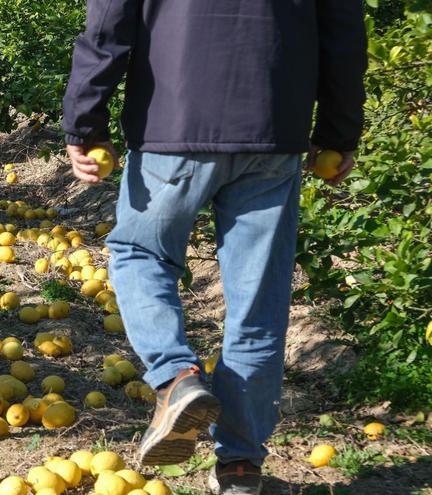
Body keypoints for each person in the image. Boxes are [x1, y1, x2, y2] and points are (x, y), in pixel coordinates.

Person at [62, 1, 367, 494]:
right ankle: (241, 468)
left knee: (139, 253)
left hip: (172, 124)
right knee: (258, 304)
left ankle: (177, 377)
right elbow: (343, 33)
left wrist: (84, 121)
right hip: (273, 126)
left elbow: (109, 22)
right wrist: (338, 131)